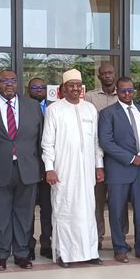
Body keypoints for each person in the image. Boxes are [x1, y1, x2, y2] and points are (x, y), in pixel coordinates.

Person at [0, 70, 43, 271]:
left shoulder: (32, 106)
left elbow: (40, 140)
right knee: (0, 214)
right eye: (5, 81)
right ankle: (1, 254)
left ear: (18, 83)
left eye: (13, 80)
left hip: (28, 168)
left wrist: (41, 167)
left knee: (24, 215)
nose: (9, 84)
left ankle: (22, 253)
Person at [42, 69, 104, 268]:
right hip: (63, 169)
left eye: (78, 85)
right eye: (71, 85)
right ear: (63, 88)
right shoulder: (54, 110)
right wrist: (49, 168)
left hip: (87, 170)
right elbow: (47, 143)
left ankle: (90, 252)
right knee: (64, 209)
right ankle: (64, 253)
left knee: (88, 210)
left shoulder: (90, 109)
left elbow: (96, 142)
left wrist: (99, 165)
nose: (75, 88)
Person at [99, 77, 140, 264]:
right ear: (117, 91)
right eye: (123, 91)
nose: (128, 94)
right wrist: (131, 158)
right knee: (117, 211)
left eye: (130, 90)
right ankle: (120, 248)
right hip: (119, 169)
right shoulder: (108, 113)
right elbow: (106, 142)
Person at [85, 63, 119, 250]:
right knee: (97, 201)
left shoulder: (122, 96)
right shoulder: (90, 97)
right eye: (104, 73)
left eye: (110, 72)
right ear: (99, 76)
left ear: (114, 74)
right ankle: (97, 236)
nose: (107, 76)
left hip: (117, 158)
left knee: (118, 200)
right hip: (95, 156)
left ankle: (119, 237)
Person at [27, 77, 52, 260]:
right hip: (28, 165)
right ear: (28, 89)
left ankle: (47, 243)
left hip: (49, 167)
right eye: (35, 87)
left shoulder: (55, 108)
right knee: (27, 209)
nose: (39, 90)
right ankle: (27, 245)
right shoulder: (24, 107)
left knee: (48, 208)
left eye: (42, 87)